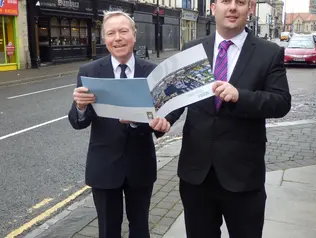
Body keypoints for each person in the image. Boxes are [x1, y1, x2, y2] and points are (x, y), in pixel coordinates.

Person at [156, 0, 291, 237]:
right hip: (196, 175)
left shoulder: (269, 52)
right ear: (212, 7)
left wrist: (241, 96)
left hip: (243, 176)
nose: (232, 8)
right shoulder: (192, 49)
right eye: (225, 1)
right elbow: (178, 96)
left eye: (240, 2)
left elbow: (281, 102)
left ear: (250, 8)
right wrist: (162, 120)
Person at [68, 11, 170, 238]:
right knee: (107, 230)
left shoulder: (152, 72)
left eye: (123, 31)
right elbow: (77, 122)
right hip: (104, 166)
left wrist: (156, 123)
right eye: (111, 33)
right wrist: (81, 107)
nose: (118, 38)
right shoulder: (90, 71)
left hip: (140, 165)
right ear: (104, 38)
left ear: (134, 35)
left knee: (140, 228)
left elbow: (163, 115)